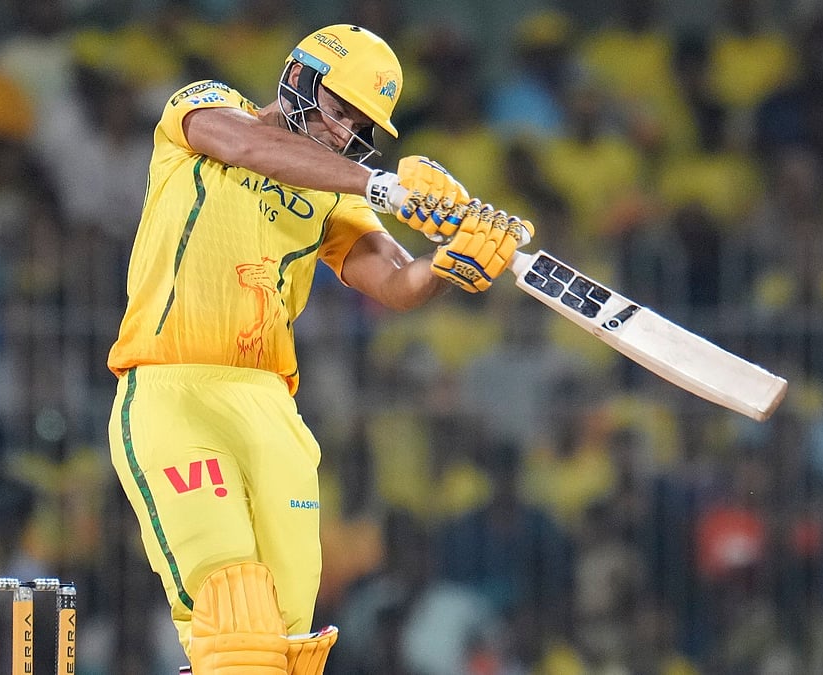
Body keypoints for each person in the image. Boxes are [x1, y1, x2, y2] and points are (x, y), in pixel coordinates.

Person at [105, 24, 533, 675]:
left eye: (359, 127)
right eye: (339, 111)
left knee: (286, 641)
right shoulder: (204, 107)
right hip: (175, 390)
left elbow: (394, 281)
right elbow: (249, 145)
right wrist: (385, 186)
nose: (341, 133)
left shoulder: (334, 189)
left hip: (272, 409)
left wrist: (451, 260)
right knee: (234, 617)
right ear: (300, 78)